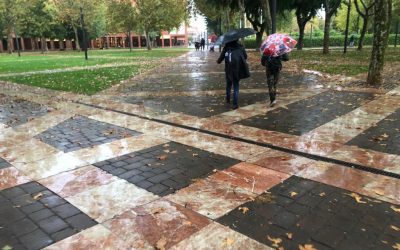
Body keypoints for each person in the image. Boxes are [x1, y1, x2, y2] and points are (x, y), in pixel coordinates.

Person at [217, 40, 250, 110]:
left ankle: (228, 99)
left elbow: (220, 59)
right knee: (236, 86)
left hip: (228, 70)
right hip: (237, 70)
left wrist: (218, 61)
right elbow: (245, 57)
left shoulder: (226, 48)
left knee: (228, 84)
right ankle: (235, 104)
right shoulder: (240, 47)